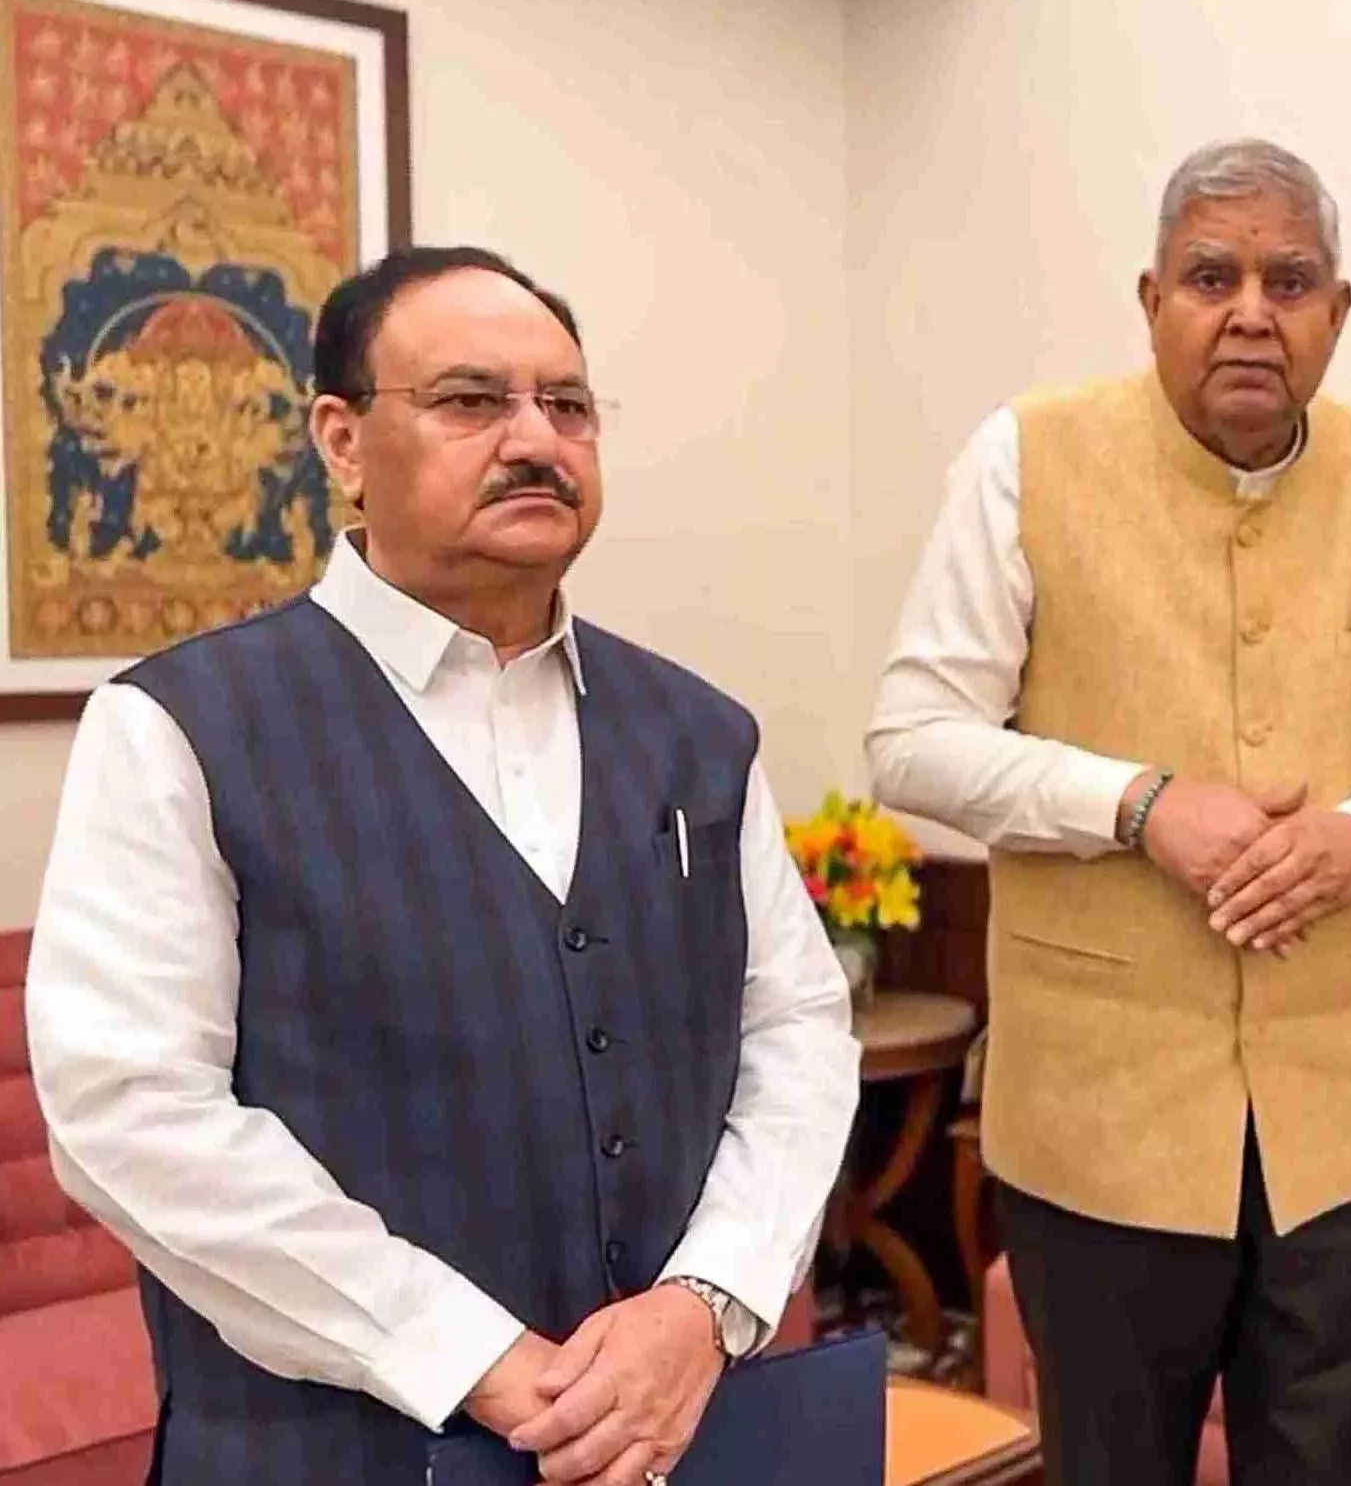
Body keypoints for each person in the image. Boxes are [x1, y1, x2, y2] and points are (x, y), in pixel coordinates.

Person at [26, 247, 861, 1486]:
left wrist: (706, 1301)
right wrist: (470, 1354)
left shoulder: (700, 732)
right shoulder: (180, 728)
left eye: (567, 405)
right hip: (326, 1454)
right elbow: (131, 1111)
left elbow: (795, 1030)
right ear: (343, 442)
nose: (536, 440)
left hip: (676, 1437)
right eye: (472, 401)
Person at [865, 138, 1351, 1486]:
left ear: (1338, 311)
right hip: (1101, 1121)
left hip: (1339, 1124)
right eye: (1212, 278)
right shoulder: (1026, 457)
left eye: (1290, 282)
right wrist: (1135, 804)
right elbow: (911, 745)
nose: (1251, 313)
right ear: (1151, 299)